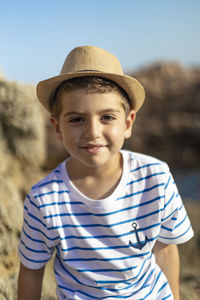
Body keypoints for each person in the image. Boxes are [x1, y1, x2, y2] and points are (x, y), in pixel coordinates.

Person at [17, 46, 193, 300]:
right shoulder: (43, 199)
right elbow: (31, 271)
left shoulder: (156, 177)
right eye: (76, 119)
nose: (92, 131)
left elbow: (165, 251)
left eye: (107, 117)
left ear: (128, 123)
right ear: (57, 128)